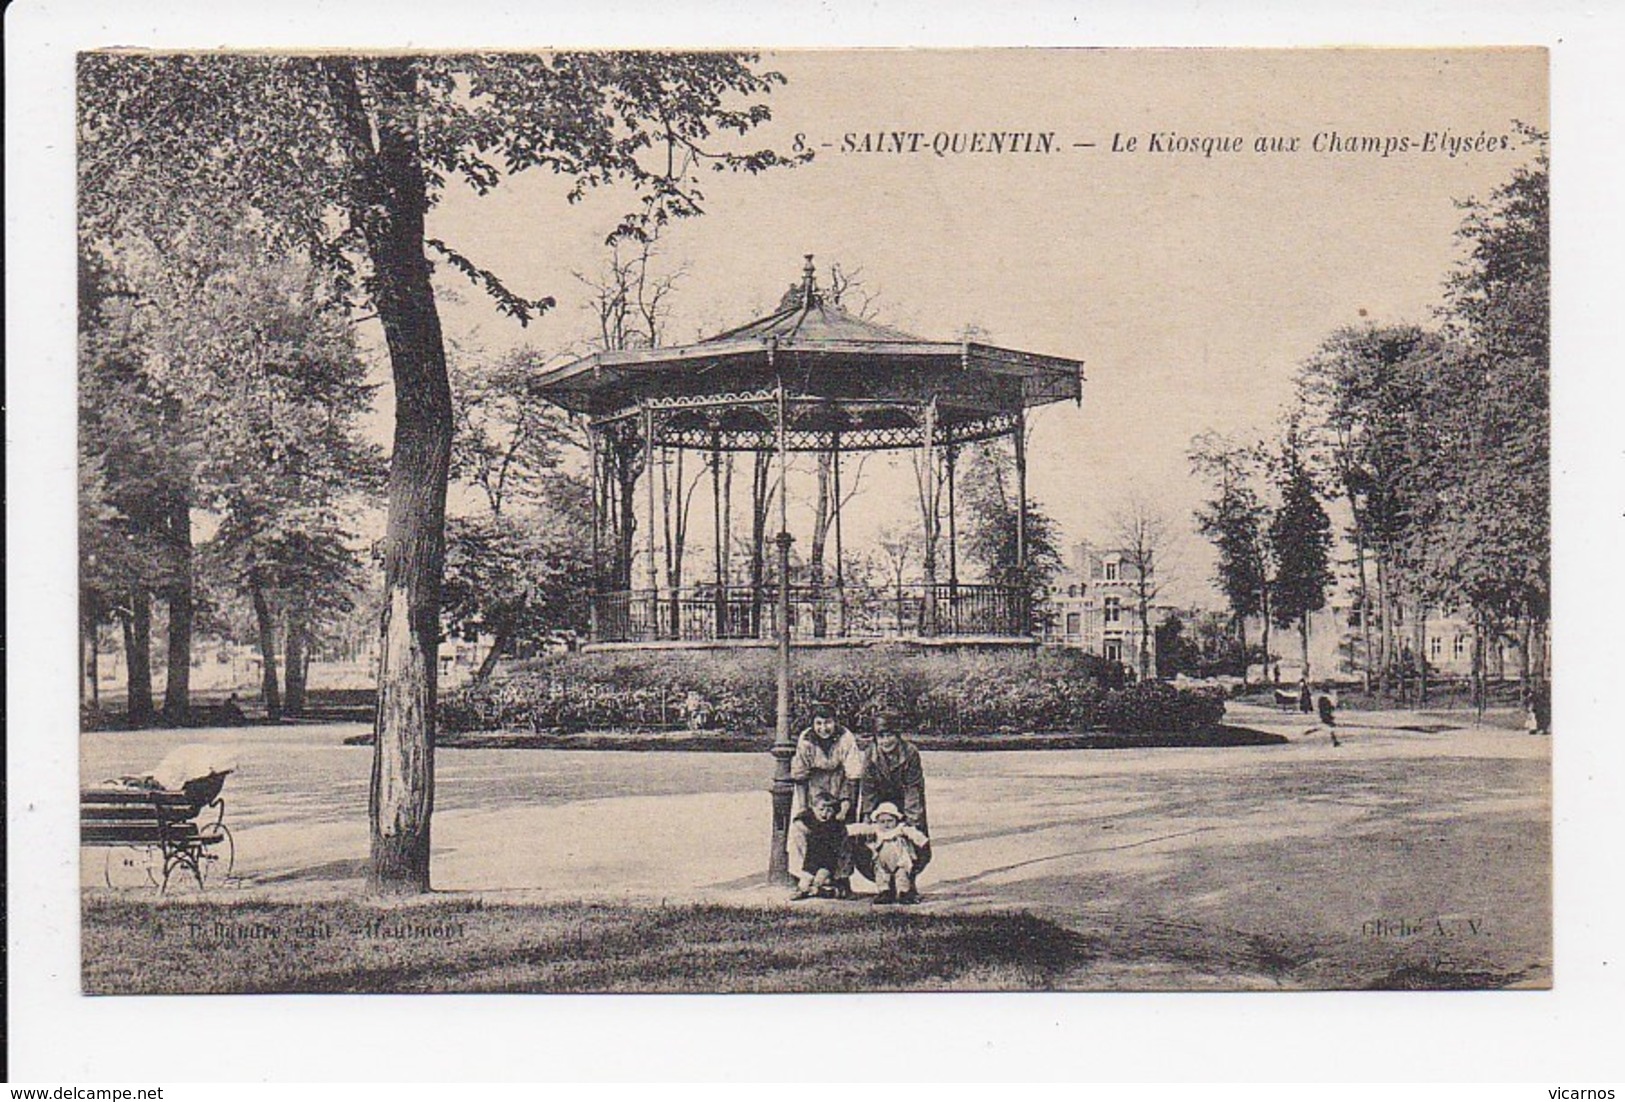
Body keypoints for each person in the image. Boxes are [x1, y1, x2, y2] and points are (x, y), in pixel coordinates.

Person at [788, 700, 864, 890]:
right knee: (802, 829)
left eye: (828, 722)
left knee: (843, 831)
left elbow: (853, 775)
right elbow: (800, 774)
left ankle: (840, 878)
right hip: (815, 787)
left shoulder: (846, 737)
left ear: (835, 721)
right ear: (813, 724)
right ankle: (803, 877)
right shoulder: (806, 739)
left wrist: (846, 804)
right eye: (819, 723)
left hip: (840, 785)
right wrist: (804, 807)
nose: (824, 728)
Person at [854, 712, 931, 889]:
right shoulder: (870, 754)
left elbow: (913, 787)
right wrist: (868, 815)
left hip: (905, 800)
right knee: (872, 842)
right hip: (879, 801)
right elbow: (868, 788)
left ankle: (908, 885)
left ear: (897, 735)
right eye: (881, 736)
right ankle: (884, 885)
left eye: (890, 735)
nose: (886, 741)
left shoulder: (910, 752)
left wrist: (913, 818)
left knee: (911, 841)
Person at [849, 802, 929, 905]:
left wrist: (922, 841)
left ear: (896, 820)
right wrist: (848, 830)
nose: (886, 824)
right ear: (877, 821)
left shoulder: (900, 829)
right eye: (882, 821)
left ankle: (904, 894)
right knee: (881, 875)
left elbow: (913, 833)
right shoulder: (877, 829)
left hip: (899, 860)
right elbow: (862, 828)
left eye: (890, 821)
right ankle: (884, 893)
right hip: (882, 860)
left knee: (902, 876)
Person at [790, 791, 851, 900]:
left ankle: (826, 891)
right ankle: (805, 891)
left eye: (829, 811)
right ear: (813, 808)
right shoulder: (810, 817)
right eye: (821, 810)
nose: (824, 814)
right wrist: (807, 830)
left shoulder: (835, 824)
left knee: (820, 881)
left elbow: (842, 846)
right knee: (804, 883)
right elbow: (797, 820)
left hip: (828, 862)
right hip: (811, 860)